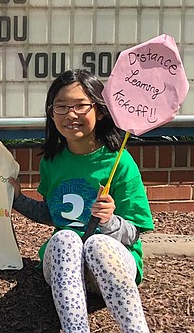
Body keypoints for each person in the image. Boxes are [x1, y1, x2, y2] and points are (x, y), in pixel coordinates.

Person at [9, 69, 154, 333]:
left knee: (98, 243)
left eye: (79, 105)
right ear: (51, 113)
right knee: (65, 238)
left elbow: (135, 232)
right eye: (61, 107)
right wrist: (17, 199)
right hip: (65, 269)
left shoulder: (120, 162)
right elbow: (54, 215)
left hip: (111, 266)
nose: (70, 114)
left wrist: (110, 221)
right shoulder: (52, 162)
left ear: (99, 110)